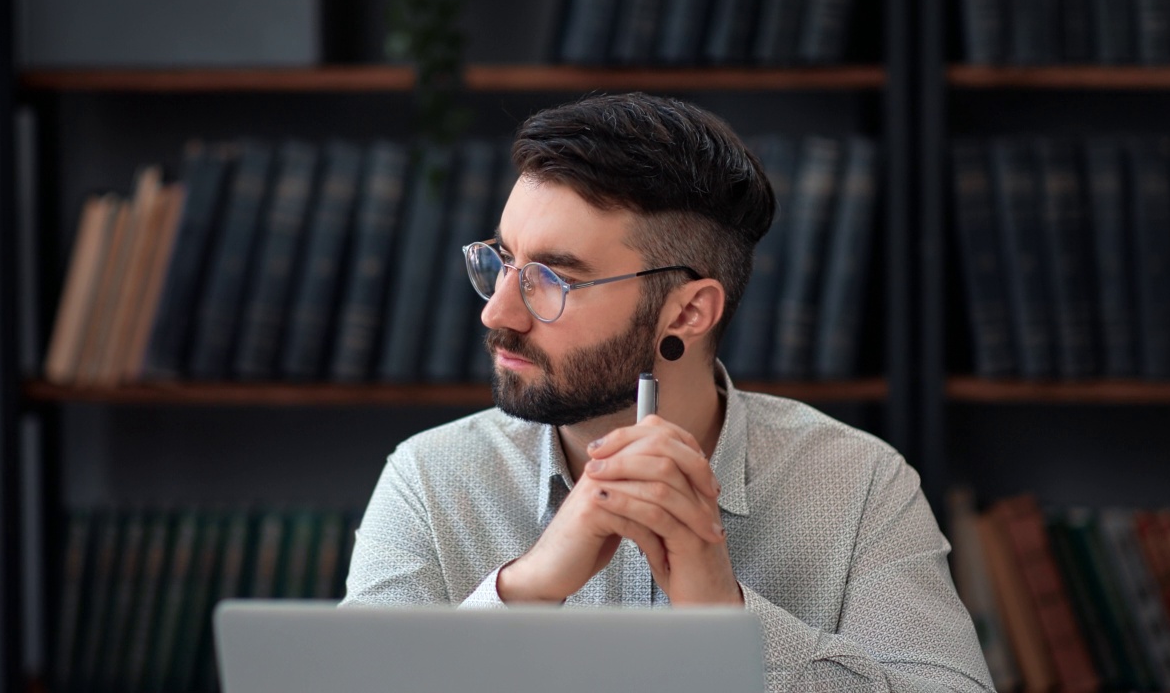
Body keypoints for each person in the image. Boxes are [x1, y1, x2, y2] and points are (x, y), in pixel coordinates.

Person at [342, 93, 995, 692]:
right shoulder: (431, 478)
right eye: (503, 262)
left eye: (550, 278)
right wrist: (523, 593)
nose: (498, 313)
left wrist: (724, 616)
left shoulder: (857, 485)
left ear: (687, 313)